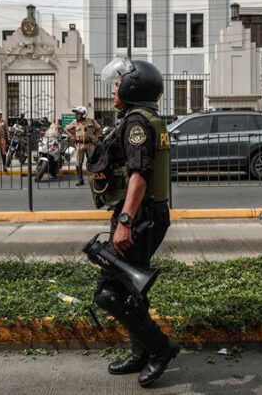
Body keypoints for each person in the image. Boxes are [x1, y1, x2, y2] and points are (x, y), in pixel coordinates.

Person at [89, 58, 179, 387]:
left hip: (139, 216)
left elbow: (140, 175)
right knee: (128, 290)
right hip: (146, 214)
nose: (114, 88)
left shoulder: (138, 124)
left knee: (109, 293)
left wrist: (125, 220)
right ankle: (141, 351)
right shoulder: (143, 119)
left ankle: (159, 348)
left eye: (118, 84)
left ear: (132, 88)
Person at [64, 105, 101, 186]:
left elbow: (99, 128)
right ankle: (80, 180)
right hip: (79, 145)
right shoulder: (74, 122)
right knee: (78, 162)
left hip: (90, 144)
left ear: (84, 114)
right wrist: (71, 136)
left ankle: (93, 179)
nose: (76, 115)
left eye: (78, 114)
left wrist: (96, 137)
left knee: (92, 161)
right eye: (76, 114)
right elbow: (66, 129)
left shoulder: (91, 121)